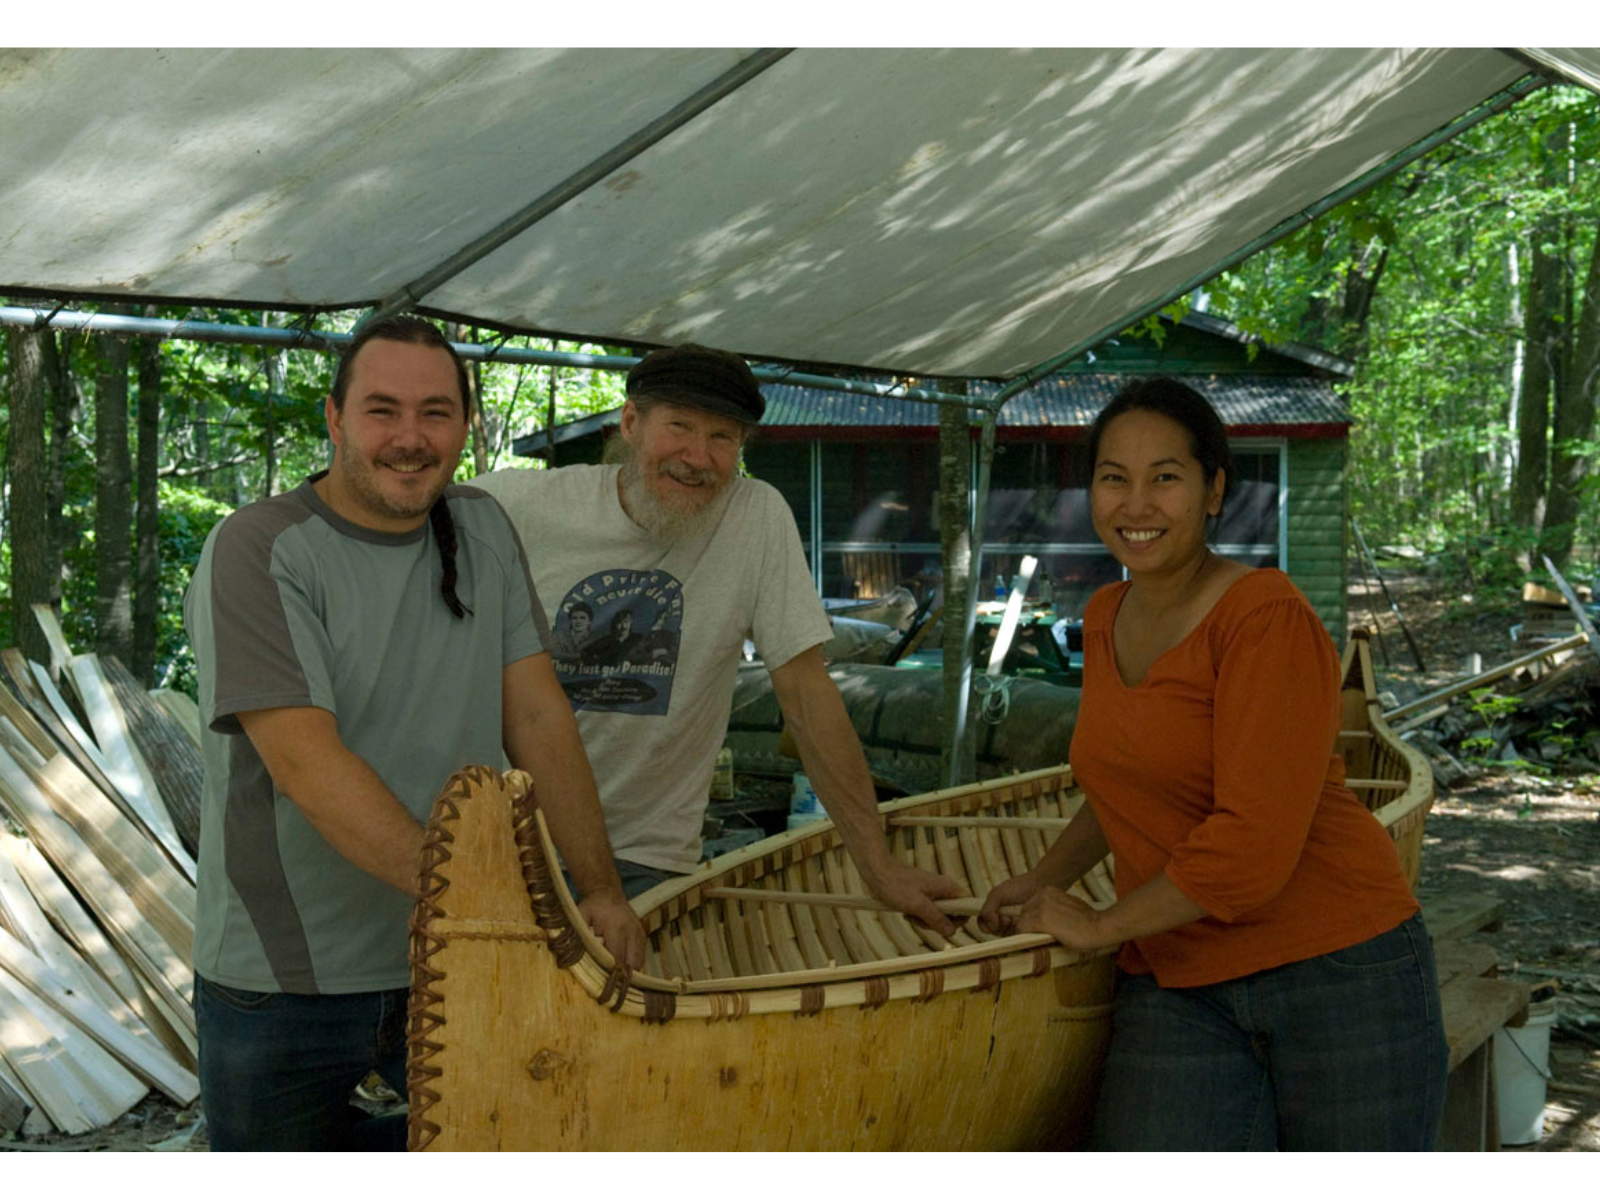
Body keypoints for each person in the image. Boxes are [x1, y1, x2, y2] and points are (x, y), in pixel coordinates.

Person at [184, 316, 645, 1152]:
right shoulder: (259, 549)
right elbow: (310, 768)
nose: (409, 438)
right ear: (333, 419)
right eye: (381, 410)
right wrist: (480, 904)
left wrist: (601, 890)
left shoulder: (482, 528)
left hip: (454, 961)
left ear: (466, 424)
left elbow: (537, 717)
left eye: (435, 412)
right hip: (284, 982)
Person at [979, 377, 1447, 1151]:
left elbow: (1253, 846)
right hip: (1178, 975)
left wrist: (1099, 925)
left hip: (1338, 971)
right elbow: (1123, 783)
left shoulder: (1266, 616)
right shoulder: (1104, 617)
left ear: (1213, 492)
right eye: (1113, 478)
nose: (1137, 505)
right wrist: (1043, 880)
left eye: (1166, 477)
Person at [475, 343, 960, 931]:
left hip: (646, 861)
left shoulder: (754, 518)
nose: (697, 457)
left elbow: (806, 695)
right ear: (631, 423)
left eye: (722, 438)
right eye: (678, 426)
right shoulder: (514, 503)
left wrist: (878, 866)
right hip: (508, 841)